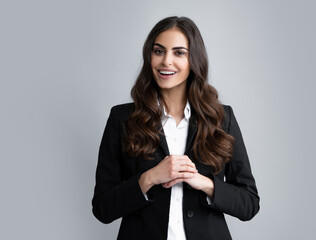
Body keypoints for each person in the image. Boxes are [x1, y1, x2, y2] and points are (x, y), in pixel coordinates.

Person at [92, 16, 259, 240]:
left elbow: (249, 204)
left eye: (179, 52)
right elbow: (103, 208)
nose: (166, 61)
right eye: (159, 51)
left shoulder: (221, 118)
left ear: (194, 59)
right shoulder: (122, 118)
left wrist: (202, 182)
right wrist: (149, 178)